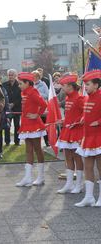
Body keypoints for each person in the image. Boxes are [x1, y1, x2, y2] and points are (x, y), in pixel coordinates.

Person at [15, 72, 47, 187]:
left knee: (38, 149)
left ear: (27, 83)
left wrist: (37, 115)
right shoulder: (24, 92)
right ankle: (28, 177)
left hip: (34, 125)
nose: (19, 85)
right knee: (28, 150)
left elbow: (44, 104)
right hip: (26, 124)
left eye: (20, 83)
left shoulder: (33, 92)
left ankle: (41, 176)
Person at [75, 70, 101, 207]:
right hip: (88, 137)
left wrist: (99, 121)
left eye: (88, 84)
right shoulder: (87, 98)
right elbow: (88, 113)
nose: (85, 87)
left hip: (99, 137)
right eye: (84, 84)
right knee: (88, 167)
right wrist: (82, 119)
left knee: (100, 167)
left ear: (96, 85)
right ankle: (89, 197)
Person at [56, 74, 84, 194]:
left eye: (64, 86)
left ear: (70, 86)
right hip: (67, 130)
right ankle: (69, 183)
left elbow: (85, 114)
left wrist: (78, 122)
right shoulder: (67, 98)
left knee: (77, 157)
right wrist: (63, 120)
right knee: (67, 157)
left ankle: (79, 184)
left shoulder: (80, 99)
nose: (62, 88)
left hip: (76, 131)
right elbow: (69, 115)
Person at [3, 69, 22, 146]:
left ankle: (17, 141)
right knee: (7, 125)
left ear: (15, 76)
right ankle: (7, 142)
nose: (10, 76)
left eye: (12, 75)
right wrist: (8, 104)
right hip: (7, 109)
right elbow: (2, 96)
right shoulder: (4, 85)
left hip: (17, 108)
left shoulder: (20, 84)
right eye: (9, 75)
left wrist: (14, 104)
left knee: (17, 125)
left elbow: (21, 96)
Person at [33, 70, 50, 147]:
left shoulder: (43, 84)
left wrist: (37, 93)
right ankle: (36, 142)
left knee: (44, 124)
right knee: (36, 126)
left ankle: (47, 141)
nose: (33, 78)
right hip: (34, 108)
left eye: (35, 76)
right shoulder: (30, 85)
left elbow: (47, 95)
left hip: (42, 108)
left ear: (38, 77)